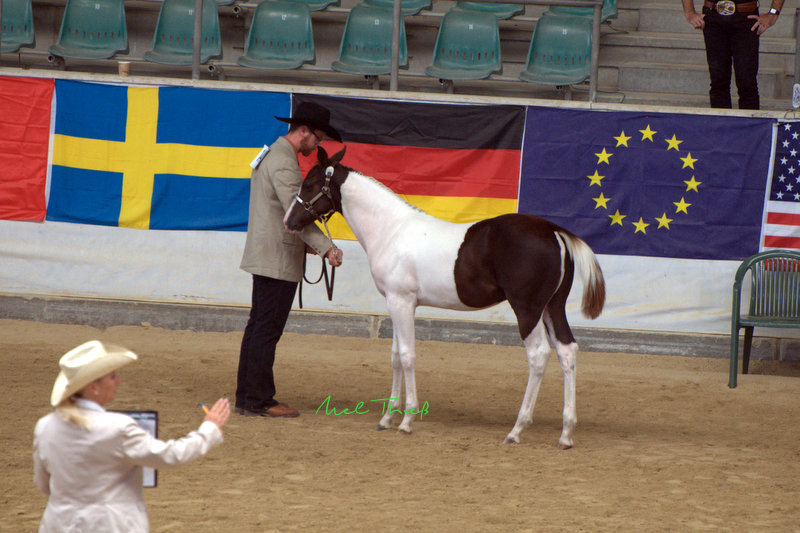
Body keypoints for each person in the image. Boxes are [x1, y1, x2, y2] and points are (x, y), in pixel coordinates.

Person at [33, 340, 230, 533]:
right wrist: (208, 430)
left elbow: (44, 484)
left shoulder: (44, 427)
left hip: (58, 524)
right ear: (93, 388)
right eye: (112, 376)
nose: (118, 381)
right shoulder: (118, 427)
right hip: (110, 525)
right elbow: (171, 456)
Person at [236, 102, 344, 418]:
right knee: (266, 329)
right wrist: (326, 247)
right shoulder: (284, 163)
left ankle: (249, 397)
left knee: (258, 327)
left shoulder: (275, 155)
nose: (319, 145)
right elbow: (295, 214)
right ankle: (258, 399)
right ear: (304, 131)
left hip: (270, 253)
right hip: (277, 257)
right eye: (318, 137)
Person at [683, 0, 785, 109]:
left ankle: (749, 125)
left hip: (746, 15)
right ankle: (721, 125)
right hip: (713, 15)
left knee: (747, 81)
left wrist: (773, 13)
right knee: (718, 80)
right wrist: (689, 12)